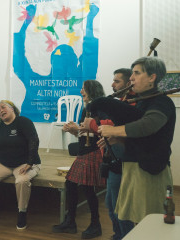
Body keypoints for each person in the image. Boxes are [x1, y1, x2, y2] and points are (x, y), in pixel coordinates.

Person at [97, 57, 175, 227]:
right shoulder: (142, 103)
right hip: (133, 169)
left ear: (152, 77)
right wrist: (119, 139)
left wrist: (113, 130)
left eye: (136, 73)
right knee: (132, 219)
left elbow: (148, 126)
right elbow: (144, 139)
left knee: (149, 223)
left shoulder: (162, 102)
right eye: (132, 73)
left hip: (150, 172)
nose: (131, 78)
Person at [83, 69, 135, 240]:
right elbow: (114, 126)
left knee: (120, 207)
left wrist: (93, 125)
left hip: (124, 162)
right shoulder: (122, 101)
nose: (112, 85)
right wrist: (109, 136)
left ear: (128, 84)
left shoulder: (133, 104)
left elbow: (121, 125)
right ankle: (118, 235)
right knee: (111, 205)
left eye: (117, 81)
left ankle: (124, 236)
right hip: (113, 161)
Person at [0, 100, 41, 230]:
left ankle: (22, 212)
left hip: (25, 163)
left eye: (3, 107)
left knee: (22, 180)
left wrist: (30, 162)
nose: (1, 111)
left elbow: (34, 140)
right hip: (5, 164)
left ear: (12, 109)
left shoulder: (23, 122)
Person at [52, 80, 106, 239]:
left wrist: (77, 129)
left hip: (92, 152)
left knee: (88, 189)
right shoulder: (87, 108)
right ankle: (71, 222)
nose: (81, 91)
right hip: (84, 151)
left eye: (84, 89)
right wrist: (74, 131)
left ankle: (95, 225)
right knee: (72, 184)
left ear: (91, 90)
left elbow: (101, 133)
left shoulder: (99, 108)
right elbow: (85, 134)